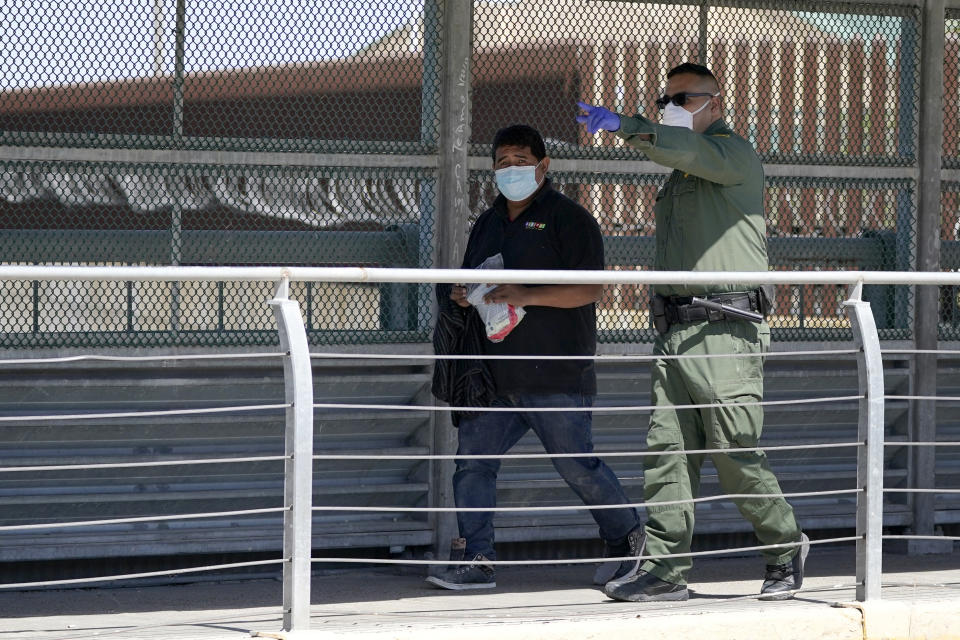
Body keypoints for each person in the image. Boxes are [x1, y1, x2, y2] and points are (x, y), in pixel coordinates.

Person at [577, 62, 809, 602]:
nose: (674, 107)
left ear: (716, 102)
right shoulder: (681, 172)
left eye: (685, 98)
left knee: (735, 451)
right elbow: (679, 155)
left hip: (726, 330)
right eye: (667, 101)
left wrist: (628, 125)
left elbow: (685, 150)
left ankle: (783, 546)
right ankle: (665, 570)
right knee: (667, 453)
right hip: (676, 332)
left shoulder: (731, 154)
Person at [426, 124, 643, 591]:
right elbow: (463, 279)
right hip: (493, 373)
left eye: (521, 161)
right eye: (502, 163)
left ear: (544, 166)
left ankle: (627, 539)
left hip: (557, 370)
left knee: (575, 463)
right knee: (473, 465)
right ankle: (479, 559)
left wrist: (527, 294)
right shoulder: (486, 223)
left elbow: (589, 290)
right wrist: (463, 296)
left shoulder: (570, 219)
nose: (511, 170)